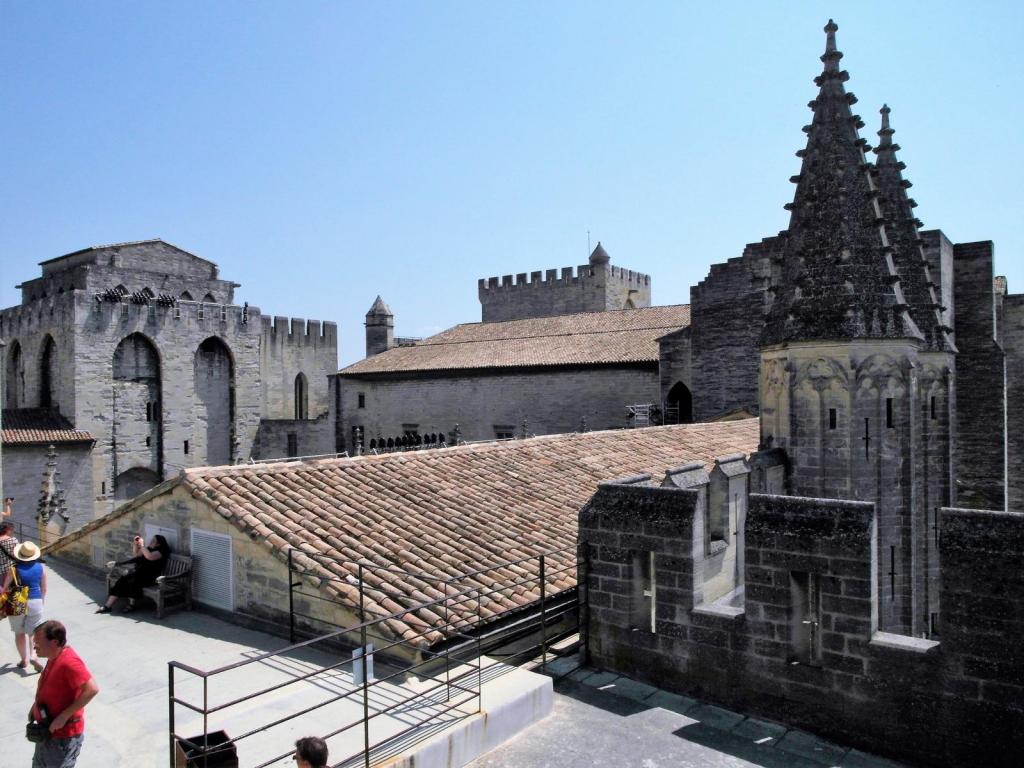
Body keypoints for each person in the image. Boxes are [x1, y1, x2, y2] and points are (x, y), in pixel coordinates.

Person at [30, 620, 99, 768]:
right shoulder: (53, 657)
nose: (34, 646)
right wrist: (35, 707)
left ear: (54, 642)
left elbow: (92, 689)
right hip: (47, 733)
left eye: (37, 642)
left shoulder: (69, 662)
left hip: (63, 738)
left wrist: (63, 716)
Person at [96, 534, 170, 613]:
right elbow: (136, 555)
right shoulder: (147, 549)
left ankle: (132, 605)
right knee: (123, 580)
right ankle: (107, 606)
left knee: (132, 581)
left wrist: (142, 545)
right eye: (152, 540)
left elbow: (149, 557)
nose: (151, 541)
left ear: (158, 544)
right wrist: (135, 544)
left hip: (151, 577)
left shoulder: (160, 552)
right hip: (140, 574)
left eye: (153, 541)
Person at [3, 540, 46, 671]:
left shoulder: (14, 568)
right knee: (33, 632)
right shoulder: (41, 567)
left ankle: (24, 660)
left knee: (19, 633)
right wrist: (41, 603)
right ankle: (33, 655)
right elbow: (44, 589)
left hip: (17, 602)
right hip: (35, 601)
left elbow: (4, 588)